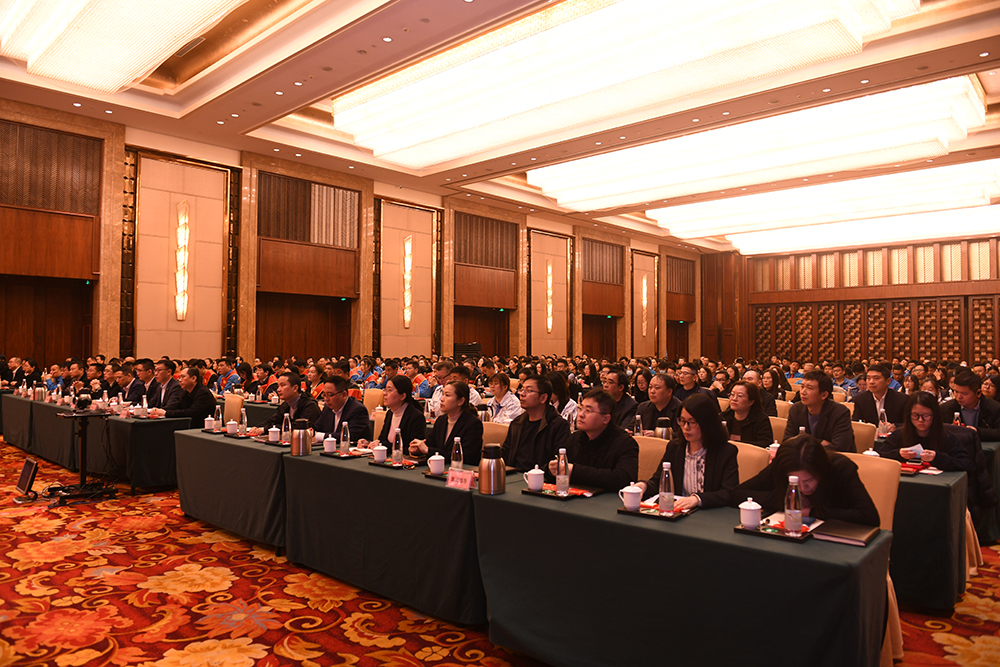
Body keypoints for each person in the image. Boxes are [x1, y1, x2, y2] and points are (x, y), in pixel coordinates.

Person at [731, 434, 880, 527]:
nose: (803, 487)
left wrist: (812, 512)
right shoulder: (783, 465)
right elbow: (737, 493)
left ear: (820, 471)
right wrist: (785, 501)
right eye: (795, 481)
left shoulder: (841, 469)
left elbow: (869, 516)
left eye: (809, 480)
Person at [635, 393, 738, 509]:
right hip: (678, 511)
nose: (685, 427)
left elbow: (729, 492)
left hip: (709, 513)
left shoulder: (726, 452)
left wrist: (697, 499)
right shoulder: (675, 447)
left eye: (692, 422)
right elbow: (659, 481)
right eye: (682, 421)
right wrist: (643, 485)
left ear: (707, 423)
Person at [547, 389, 638, 492]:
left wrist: (575, 471)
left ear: (606, 419)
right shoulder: (575, 438)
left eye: (588, 411)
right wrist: (552, 469)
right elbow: (562, 467)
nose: (581, 414)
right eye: (580, 408)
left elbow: (624, 478)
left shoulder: (625, 443)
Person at [877, 392, 973, 472]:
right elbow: (880, 455)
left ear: (934, 415)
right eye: (915, 415)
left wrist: (937, 458)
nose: (920, 420)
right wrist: (899, 454)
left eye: (926, 416)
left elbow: (966, 464)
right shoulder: (900, 434)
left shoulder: (946, 437)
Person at [501, 376, 571, 472]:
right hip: (514, 475)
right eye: (522, 389)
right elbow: (505, 454)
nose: (522, 394)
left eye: (529, 390)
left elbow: (558, 463)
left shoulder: (558, 425)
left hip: (542, 477)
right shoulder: (517, 423)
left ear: (543, 398)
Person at [410, 381, 484, 466]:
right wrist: (419, 449)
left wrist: (428, 450)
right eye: (443, 394)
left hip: (462, 470)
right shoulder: (441, 420)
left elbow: (466, 457)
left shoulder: (473, 424)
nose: (442, 399)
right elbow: (431, 445)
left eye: (447, 395)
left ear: (461, 401)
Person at [783, 370, 855, 452]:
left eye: (809, 388)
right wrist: (819, 442)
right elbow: (787, 442)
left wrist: (803, 445)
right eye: (802, 387)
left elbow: (839, 448)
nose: (803, 392)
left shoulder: (840, 412)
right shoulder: (796, 409)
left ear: (824, 395)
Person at [249, 372, 321, 433]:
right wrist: (257, 427)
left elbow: (297, 428)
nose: (278, 389)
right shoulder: (285, 404)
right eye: (278, 386)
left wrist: (264, 429)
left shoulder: (310, 405)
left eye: (282, 385)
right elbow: (272, 420)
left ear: (295, 388)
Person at [940, 370, 1000, 442]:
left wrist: (977, 432)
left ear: (978, 393)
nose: (959, 397)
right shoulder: (945, 408)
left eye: (964, 394)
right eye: (956, 392)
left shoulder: (995, 408)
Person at [371, 375, 426, 447]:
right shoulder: (390, 413)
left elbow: (412, 448)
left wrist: (383, 445)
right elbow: (382, 440)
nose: (384, 393)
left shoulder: (416, 417)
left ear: (402, 396)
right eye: (385, 389)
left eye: (389, 390)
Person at [313, 376, 371, 442]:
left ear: (344, 395)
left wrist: (320, 436)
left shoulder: (358, 410)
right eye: (324, 395)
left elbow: (349, 436)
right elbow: (317, 427)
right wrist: (310, 431)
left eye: (330, 395)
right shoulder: (328, 408)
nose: (326, 399)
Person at [149, 366, 216, 423]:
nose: (179, 380)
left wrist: (166, 413)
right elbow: (177, 405)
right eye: (179, 377)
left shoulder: (203, 393)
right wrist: (161, 410)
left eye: (183, 377)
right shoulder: (186, 391)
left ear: (193, 378)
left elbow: (192, 412)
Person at [852, 365, 907, 429]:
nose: (871, 382)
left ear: (888, 381)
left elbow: (908, 424)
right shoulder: (860, 399)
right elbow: (856, 423)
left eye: (876, 378)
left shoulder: (902, 399)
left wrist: (895, 426)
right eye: (868, 378)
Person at [720, 381, 772, 447]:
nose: (734, 399)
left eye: (740, 396)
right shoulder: (724, 416)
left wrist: (737, 444)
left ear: (751, 401)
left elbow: (765, 443)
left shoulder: (761, 419)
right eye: (732, 395)